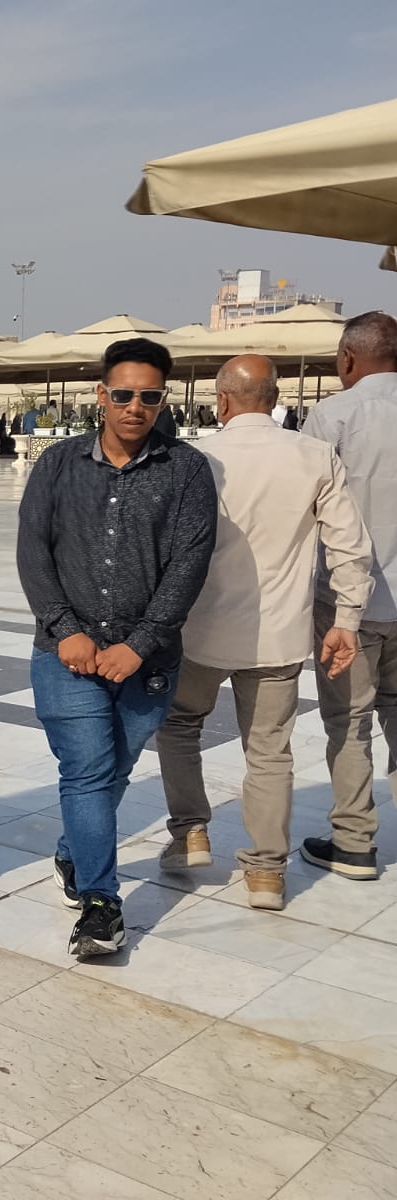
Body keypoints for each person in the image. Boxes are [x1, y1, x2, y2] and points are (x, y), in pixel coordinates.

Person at [17, 337, 217, 957]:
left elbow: (189, 566)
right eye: (123, 393)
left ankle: (73, 851)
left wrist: (141, 643)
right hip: (65, 655)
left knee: (113, 771)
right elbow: (33, 550)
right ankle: (103, 906)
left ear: (163, 400)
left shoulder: (186, 471)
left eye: (149, 396)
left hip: (147, 662)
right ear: (102, 396)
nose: (135, 406)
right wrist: (65, 627)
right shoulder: (58, 464)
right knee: (87, 769)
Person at [154, 355, 370, 910]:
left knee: (179, 726)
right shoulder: (314, 455)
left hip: (199, 630)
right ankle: (266, 873)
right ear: (274, 400)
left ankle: (190, 833)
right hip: (279, 633)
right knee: (269, 750)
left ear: (221, 401)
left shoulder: (197, 458)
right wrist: (346, 620)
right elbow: (349, 547)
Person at [298, 311, 397, 879]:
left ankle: (355, 842)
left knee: (350, 722)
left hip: (348, 607)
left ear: (348, 359)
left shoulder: (335, 413)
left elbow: (306, 506)